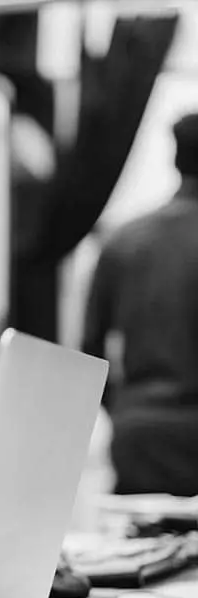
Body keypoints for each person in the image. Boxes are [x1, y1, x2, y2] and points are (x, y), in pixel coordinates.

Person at [82, 112, 198, 497]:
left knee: (141, 556)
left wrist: (124, 411)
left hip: (140, 433)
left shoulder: (124, 240)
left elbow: (90, 348)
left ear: (175, 159)